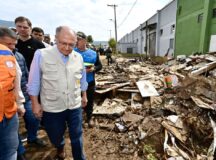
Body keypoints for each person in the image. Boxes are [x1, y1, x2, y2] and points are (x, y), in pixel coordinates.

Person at [28, 26, 88, 160]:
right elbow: (34, 82)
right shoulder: (41, 54)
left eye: (71, 44)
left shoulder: (78, 57)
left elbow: (82, 79)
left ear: (76, 42)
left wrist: (84, 95)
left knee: (77, 135)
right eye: (63, 43)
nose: (67, 47)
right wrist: (35, 104)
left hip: (74, 105)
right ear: (55, 39)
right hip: (52, 106)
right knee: (55, 134)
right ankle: (60, 146)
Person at [0, 33, 25, 159]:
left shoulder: (9, 56)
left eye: (14, 44)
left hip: (8, 112)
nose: (12, 47)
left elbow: (17, 81)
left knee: (10, 150)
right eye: (9, 44)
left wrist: (20, 104)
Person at [74, 31, 102, 127]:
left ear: (85, 41)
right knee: (76, 101)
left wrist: (94, 69)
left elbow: (100, 66)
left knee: (89, 101)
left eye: (78, 39)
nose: (76, 41)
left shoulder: (93, 53)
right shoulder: (72, 52)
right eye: (75, 39)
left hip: (89, 82)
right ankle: (78, 118)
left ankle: (89, 118)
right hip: (75, 83)